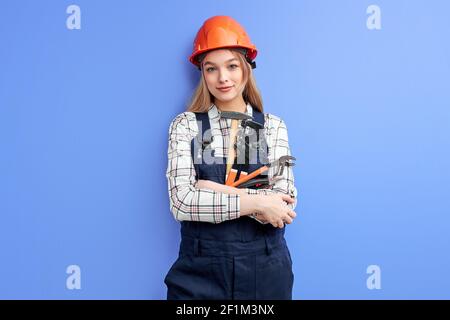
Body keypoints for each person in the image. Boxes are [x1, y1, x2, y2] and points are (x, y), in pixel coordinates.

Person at [164, 15, 298, 300]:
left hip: (265, 270)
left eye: (232, 66)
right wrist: (258, 201)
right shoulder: (186, 125)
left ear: (247, 68)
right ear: (202, 73)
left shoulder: (272, 127)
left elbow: (282, 207)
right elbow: (182, 203)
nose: (222, 78)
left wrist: (209, 188)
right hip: (199, 272)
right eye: (211, 69)